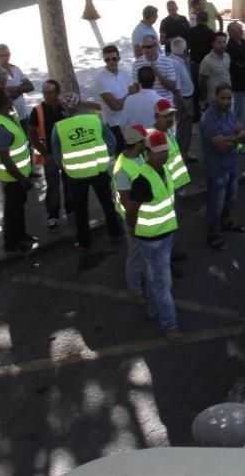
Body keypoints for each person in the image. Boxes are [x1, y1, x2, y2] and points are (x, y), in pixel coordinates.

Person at [124, 130, 183, 342]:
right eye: (158, 152)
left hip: (166, 233)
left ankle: (152, 309)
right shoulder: (142, 179)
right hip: (152, 239)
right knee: (162, 284)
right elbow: (131, 210)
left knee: (154, 277)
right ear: (148, 152)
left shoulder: (163, 169)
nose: (164, 155)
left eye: (165, 151)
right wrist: (133, 228)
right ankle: (170, 324)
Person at [51, 96, 121, 254]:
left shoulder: (59, 128)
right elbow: (112, 142)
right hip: (99, 171)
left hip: (76, 176)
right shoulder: (95, 120)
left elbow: (56, 155)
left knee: (80, 210)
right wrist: (104, 156)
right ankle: (115, 234)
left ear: (64, 109)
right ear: (80, 106)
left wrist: (66, 167)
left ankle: (84, 243)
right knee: (108, 204)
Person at [0, 88, 35, 254]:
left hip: (19, 175)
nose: (11, 98)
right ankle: (12, 242)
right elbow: (5, 159)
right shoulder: (0, 127)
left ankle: (22, 235)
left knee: (19, 208)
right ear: (4, 102)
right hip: (12, 178)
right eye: (8, 97)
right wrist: (22, 179)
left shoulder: (8, 115)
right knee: (12, 211)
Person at [200, 84, 245, 250]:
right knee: (216, 202)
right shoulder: (208, 118)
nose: (227, 101)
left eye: (229, 98)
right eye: (223, 98)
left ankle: (225, 222)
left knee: (231, 196)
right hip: (216, 167)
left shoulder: (229, 113)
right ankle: (212, 234)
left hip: (231, 163)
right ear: (215, 98)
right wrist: (236, 139)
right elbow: (221, 146)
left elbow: (243, 131)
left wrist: (229, 139)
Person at [27, 80, 72, 231]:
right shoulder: (37, 110)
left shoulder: (64, 107)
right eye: (45, 92)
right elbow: (32, 134)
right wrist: (45, 154)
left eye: (50, 92)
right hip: (50, 156)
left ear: (57, 93)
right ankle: (53, 216)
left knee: (69, 183)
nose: (47, 95)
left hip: (67, 154)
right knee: (53, 187)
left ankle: (71, 209)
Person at [113, 125, 149, 305]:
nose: (147, 143)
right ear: (137, 144)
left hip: (142, 216)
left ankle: (143, 280)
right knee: (135, 256)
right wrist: (133, 226)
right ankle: (136, 291)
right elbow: (127, 202)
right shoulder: (122, 170)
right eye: (144, 141)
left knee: (142, 253)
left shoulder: (138, 156)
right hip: (133, 219)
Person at [95, 44, 138, 152]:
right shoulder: (101, 79)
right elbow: (115, 106)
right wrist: (129, 96)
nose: (111, 62)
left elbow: (136, 93)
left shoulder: (124, 73)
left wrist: (122, 100)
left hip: (129, 121)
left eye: (114, 58)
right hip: (114, 125)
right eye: (107, 59)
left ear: (119, 58)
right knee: (123, 156)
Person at [151, 98, 192, 198]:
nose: (169, 118)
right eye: (165, 116)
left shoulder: (169, 132)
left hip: (178, 185)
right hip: (169, 189)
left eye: (171, 114)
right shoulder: (154, 138)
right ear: (156, 117)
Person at [225, 21, 245, 132]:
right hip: (240, 85)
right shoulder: (231, 47)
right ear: (232, 32)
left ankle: (244, 135)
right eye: (239, 29)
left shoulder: (242, 41)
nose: (242, 31)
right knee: (239, 114)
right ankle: (239, 143)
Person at [168, 38, 196, 162]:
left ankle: (184, 154)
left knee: (185, 131)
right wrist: (185, 109)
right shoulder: (176, 64)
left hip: (185, 99)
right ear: (185, 50)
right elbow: (177, 90)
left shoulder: (177, 61)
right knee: (183, 132)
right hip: (184, 101)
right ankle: (181, 159)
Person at [0, 44, 34, 125]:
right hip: (10, 117)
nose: (5, 58)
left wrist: (14, 89)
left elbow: (30, 86)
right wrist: (21, 88)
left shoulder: (16, 69)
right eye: (1, 55)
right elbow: (3, 94)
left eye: (7, 55)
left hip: (23, 114)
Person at [132, 33, 178, 101]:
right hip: (147, 105)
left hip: (165, 105)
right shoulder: (137, 63)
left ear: (156, 46)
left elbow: (172, 87)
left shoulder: (167, 62)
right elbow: (136, 87)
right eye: (143, 47)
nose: (145, 50)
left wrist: (156, 72)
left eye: (148, 47)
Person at [121, 66, 161, 131]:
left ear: (138, 81)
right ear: (155, 79)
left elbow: (122, 124)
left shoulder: (129, 100)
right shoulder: (161, 101)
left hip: (135, 138)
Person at [198, 32, 231, 109]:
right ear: (213, 44)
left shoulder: (227, 56)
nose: (222, 45)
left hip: (227, 97)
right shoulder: (207, 61)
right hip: (215, 99)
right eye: (219, 42)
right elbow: (201, 82)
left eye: (224, 42)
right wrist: (206, 97)